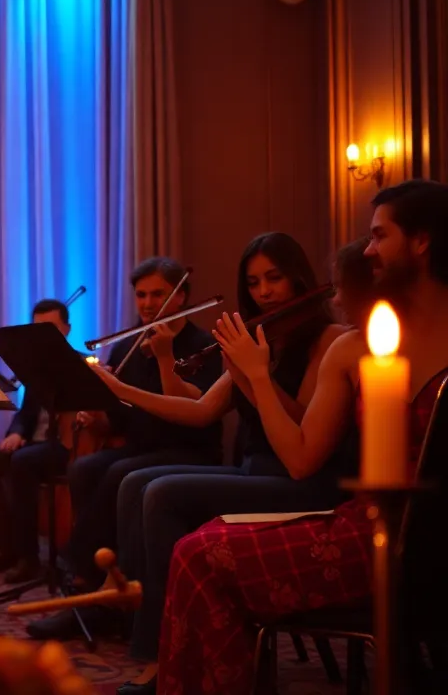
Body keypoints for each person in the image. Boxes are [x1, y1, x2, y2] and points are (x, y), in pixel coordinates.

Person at [155, 181, 448, 695]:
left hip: (419, 540)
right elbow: (300, 456)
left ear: (422, 241)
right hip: (372, 525)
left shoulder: (337, 341)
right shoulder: (356, 347)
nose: (368, 250)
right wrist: (256, 375)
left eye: (379, 236)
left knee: (197, 552)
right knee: (197, 549)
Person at [90, 233, 356, 694]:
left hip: (304, 482)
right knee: (136, 483)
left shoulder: (328, 340)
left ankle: (163, 656)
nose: (264, 292)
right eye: (253, 283)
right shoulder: (260, 338)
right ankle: (145, 626)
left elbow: (303, 431)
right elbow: (200, 410)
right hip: (257, 473)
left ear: (298, 277)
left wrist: (256, 374)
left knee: (163, 493)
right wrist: (119, 390)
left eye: (274, 278)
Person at [27, 258, 222, 641]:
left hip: (189, 450)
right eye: (141, 295)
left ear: (181, 296)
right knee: (85, 468)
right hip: (140, 449)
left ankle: (84, 579)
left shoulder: (202, 345)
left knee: (120, 472)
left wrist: (164, 357)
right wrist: (95, 412)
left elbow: (193, 415)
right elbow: (116, 424)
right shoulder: (126, 348)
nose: (147, 304)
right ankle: (100, 580)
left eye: (158, 294)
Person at [0, 299, 76, 582]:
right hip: (33, 444)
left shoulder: (79, 365)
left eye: (50, 328)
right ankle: (5, 545)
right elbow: (26, 413)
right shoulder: (35, 367)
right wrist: (16, 432)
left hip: (65, 446)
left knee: (22, 462)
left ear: (66, 329)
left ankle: (28, 557)